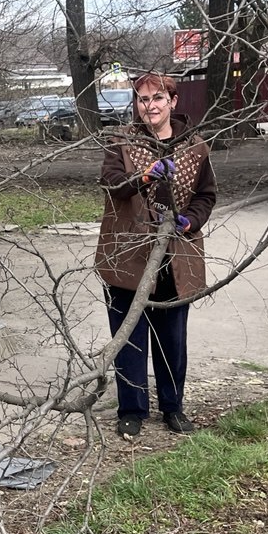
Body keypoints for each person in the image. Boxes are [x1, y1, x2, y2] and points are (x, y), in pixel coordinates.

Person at [94, 72, 216, 438]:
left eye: (158, 98)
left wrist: (188, 221)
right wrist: (145, 177)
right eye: (143, 99)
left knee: (172, 338)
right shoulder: (122, 142)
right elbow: (113, 184)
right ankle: (131, 409)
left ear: (173, 102)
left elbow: (206, 195)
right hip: (128, 253)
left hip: (175, 255)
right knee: (129, 335)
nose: (150, 106)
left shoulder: (195, 147)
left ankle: (173, 407)